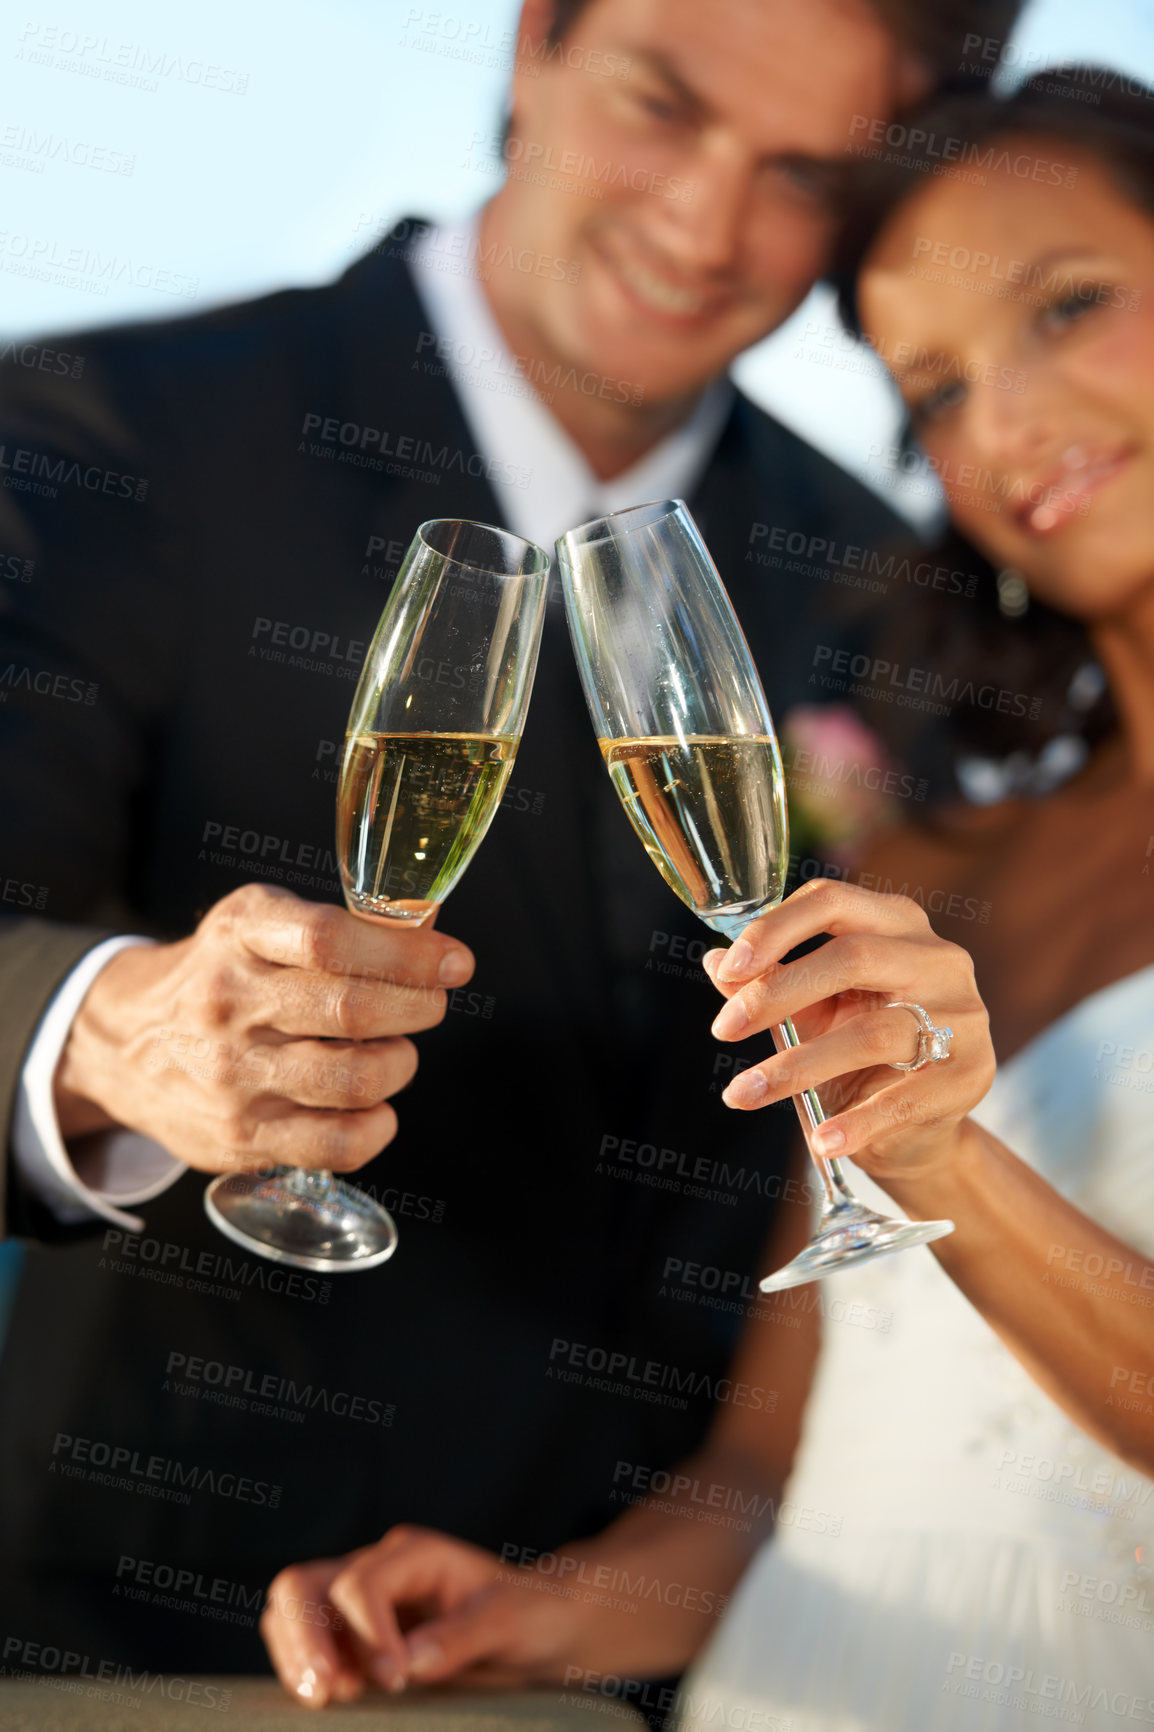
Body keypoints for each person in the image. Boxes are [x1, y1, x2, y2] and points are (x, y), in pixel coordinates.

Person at [0, 0, 1020, 1686]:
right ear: (534, 44)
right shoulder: (112, 434)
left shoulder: (884, 590)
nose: (703, 226)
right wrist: (116, 1032)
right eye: (659, 104)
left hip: (655, 1674)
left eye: (798, 174)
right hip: (147, 1642)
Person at [261, 73, 1154, 1729]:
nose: (1003, 426)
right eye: (934, 392)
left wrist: (947, 1167)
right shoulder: (933, 872)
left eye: (1071, 306)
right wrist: (523, 1620)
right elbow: (770, 1464)